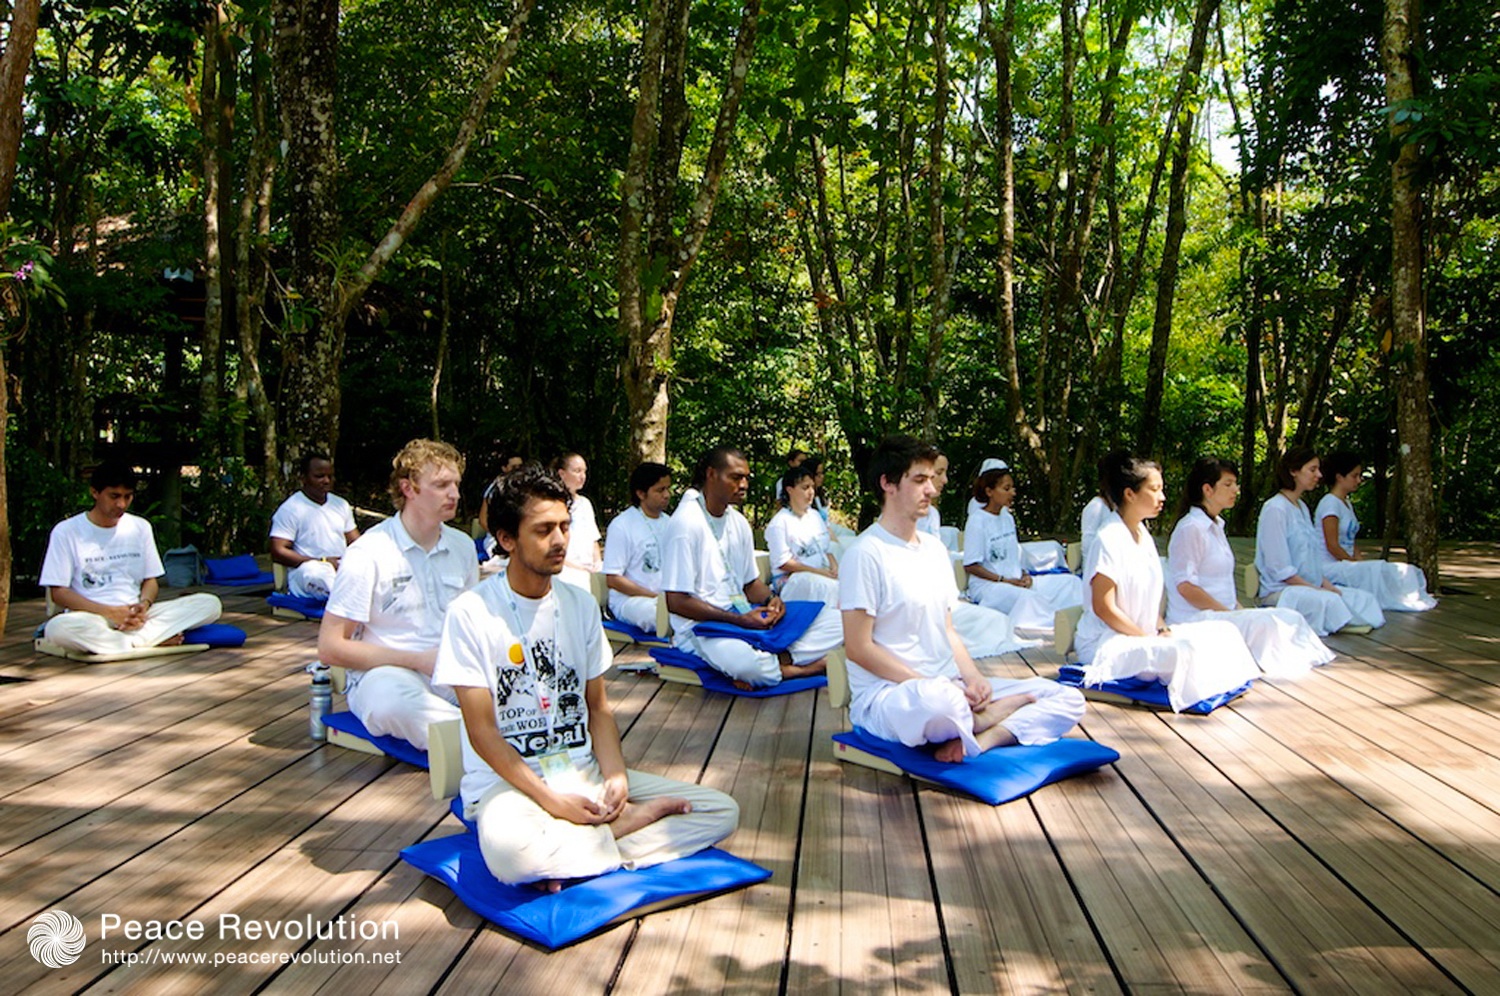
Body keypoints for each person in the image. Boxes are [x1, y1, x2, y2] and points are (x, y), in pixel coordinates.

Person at [432, 466, 739, 888]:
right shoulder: (470, 613)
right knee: (514, 854)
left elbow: (598, 709)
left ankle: (578, 853)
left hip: (582, 770)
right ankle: (614, 836)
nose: (560, 540)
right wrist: (553, 802)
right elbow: (483, 733)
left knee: (721, 811)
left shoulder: (579, 604)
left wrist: (615, 776)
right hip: (510, 787)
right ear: (506, 539)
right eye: (543, 530)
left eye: (564, 526)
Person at [840, 436, 1085, 762]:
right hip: (893, 696)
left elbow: (948, 630)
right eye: (920, 480)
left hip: (949, 685)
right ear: (888, 483)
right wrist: (933, 684)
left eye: (932, 479)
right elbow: (858, 648)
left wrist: (974, 679)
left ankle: (986, 738)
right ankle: (981, 720)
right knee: (940, 704)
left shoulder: (934, 551)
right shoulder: (865, 553)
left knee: (1066, 697)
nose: (932, 489)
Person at [318, 439, 479, 749]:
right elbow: (329, 648)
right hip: (387, 676)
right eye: (442, 485)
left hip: (452, 673)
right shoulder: (368, 552)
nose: (455, 494)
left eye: (456, 484)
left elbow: (473, 627)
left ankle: (471, 740)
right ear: (408, 489)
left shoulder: (462, 547)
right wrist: (418, 660)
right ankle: (488, 744)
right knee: (391, 703)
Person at [1075, 452, 1260, 712]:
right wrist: (1146, 638)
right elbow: (1104, 608)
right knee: (1181, 653)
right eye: (1155, 489)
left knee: (1224, 633)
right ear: (1130, 494)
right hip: (1108, 642)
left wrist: (1161, 630)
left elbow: (1150, 606)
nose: (1162, 497)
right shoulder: (1108, 539)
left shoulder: (1142, 533)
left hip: (1143, 634)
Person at [661, 446, 842, 688]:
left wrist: (772, 599)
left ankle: (779, 661)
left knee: (842, 620)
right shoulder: (685, 523)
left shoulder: (738, 522)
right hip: (702, 628)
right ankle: (806, 667)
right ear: (711, 474)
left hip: (744, 613)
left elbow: (750, 584)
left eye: (746, 477)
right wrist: (740, 621)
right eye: (736, 477)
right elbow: (676, 601)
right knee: (749, 666)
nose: (744, 484)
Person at [1166, 457, 1334, 677]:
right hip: (1197, 618)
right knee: (1269, 624)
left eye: (1235, 483)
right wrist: (1228, 613)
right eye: (1228, 484)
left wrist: (1239, 611)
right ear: (1207, 489)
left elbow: (1222, 584)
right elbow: (1186, 586)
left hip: (1223, 613)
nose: (1235, 489)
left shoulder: (1216, 525)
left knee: (1289, 618)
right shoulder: (1191, 528)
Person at [41, 462, 223, 655]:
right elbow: (58, 593)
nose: (121, 504)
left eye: (127, 497)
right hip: (91, 617)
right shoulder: (66, 531)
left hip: (136, 616)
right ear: (95, 493)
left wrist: (143, 606)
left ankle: (129, 642)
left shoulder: (140, 527)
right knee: (57, 629)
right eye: (114, 496)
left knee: (210, 604)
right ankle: (148, 641)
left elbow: (150, 580)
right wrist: (110, 613)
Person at [1255, 447, 1384, 635]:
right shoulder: (1275, 509)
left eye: (1318, 469)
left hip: (1308, 585)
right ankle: (1338, 621)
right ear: (1293, 471)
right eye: (1312, 469)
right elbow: (1279, 568)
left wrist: (1326, 585)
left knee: (1364, 599)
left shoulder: (1302, 508)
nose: (1319, 475)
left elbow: (1311, 560)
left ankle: (1342, 619)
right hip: (1283, 590)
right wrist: (1316, 589)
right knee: (1330, 602)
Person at [963, 464, 1084, 633]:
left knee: (1070, 583)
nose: (1012, 492)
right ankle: (1064, 626)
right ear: (989, 491)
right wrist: (1004, 580)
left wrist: (1025, 575)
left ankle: (1081, 619)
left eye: (1012, 488)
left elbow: (1013, 556)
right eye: (1006, 488)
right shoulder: (977, 521)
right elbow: (970, 565)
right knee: (1028, 599)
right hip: (990, 587)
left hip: (1015, 581)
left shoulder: (1007, 518)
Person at [1315, 451, 1436, 612]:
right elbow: (1332, 545)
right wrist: (1355, 565)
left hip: (1346, 563)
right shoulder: (1330, 504)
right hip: (1330, 566)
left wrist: (1360, 563)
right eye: (1354, 476)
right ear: (1339, 477)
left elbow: (1352, 541)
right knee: (1380, 570)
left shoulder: (1346, 504)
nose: (1359, 480)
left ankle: (1412, 596)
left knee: (1388, 569)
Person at [269, 453, 360, 599]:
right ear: (303, 478)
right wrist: (322, 562)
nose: (326, 481)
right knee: (320, 577)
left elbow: (357, 543)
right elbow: (278, 551)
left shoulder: (341, 505)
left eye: (330, 476)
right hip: (307, 571)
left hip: (340, 566)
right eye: (319, 476)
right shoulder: (290, 509)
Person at [602, 461, 672, 632]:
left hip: (666, 598)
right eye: (660, 490)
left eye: (667, 488)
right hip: (631, 600)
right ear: (641, 493)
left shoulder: (671, 523)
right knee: (657, 616)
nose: (667, 495)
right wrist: (655, 597)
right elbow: (613, 579)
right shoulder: (622, 525)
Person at [763, 465, 839, 608]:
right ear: (790, 490)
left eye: (812, 487)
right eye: (805, 488)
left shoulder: (815, 516)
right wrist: (819, 572)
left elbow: (826, 549)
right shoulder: (780, 523)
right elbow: (783, 563)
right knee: (833, 589)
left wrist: (835, 567)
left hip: (820, 572)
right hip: (793, 580)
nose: (811, 492)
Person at [552, 453, 601, 590]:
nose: (582, 476)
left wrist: (597, 562)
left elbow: (593, 539)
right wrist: (578, 567)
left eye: (584, 471)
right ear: (562, 474)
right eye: (577, 471)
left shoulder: (585, 503)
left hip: (589, 566)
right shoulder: (555, 505)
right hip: (567, 568)